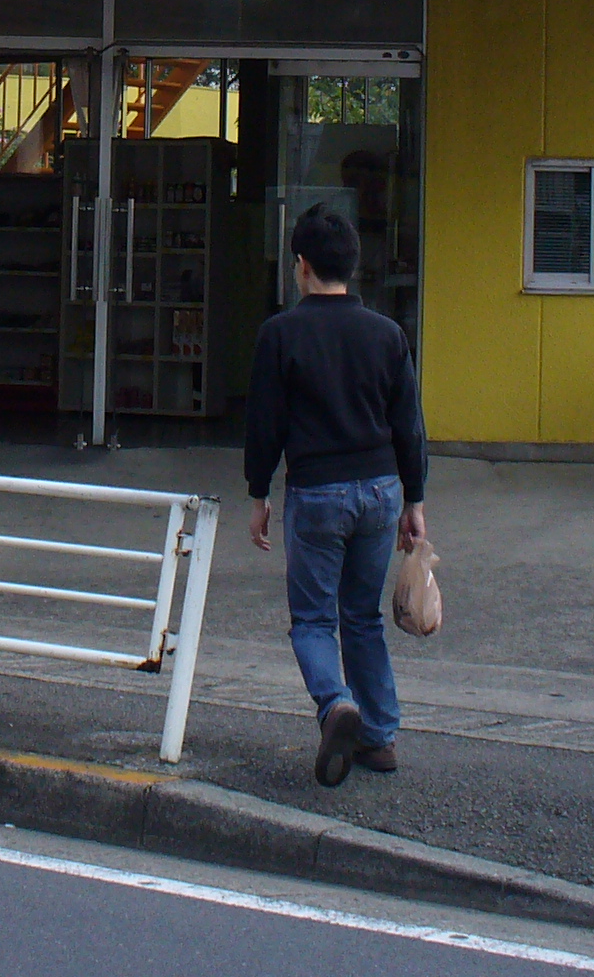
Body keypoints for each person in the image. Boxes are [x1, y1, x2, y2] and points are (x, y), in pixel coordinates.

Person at [245, 206, 427, 788]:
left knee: (313, 620)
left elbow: (264, 424)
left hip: (316, 491)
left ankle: (335, 705)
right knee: (362, 619)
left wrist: (258, 492)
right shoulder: (387, 334)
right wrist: (414, 502)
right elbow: (409, 426)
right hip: (379, 491)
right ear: (353, 265)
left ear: (300, 266)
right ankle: (379, 737)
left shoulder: (280, 334)